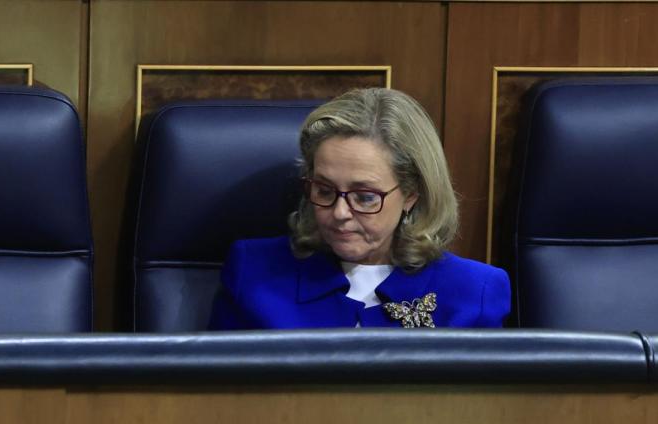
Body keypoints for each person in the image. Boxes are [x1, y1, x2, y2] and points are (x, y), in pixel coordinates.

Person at [208, 87, 510, 329]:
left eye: (364, 197)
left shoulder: (475, 292)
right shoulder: (253, 272)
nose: (339, 213)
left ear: (411, 194)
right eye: (325, 190)